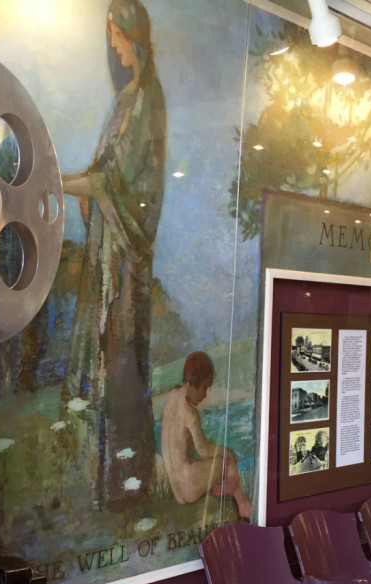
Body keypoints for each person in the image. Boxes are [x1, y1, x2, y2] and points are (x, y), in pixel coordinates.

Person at [61, 0, 167, 508]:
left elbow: (116, 178)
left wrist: (58, 181)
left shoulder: (146, 100)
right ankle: (113, 484)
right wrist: (81, 187)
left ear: (134, 36)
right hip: (111, 258)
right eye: (108, 37)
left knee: (124, 368)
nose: (113, 45)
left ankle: (130, 487)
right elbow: (103, 173)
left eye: (117, 36)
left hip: (126, 259)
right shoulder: (125, 98)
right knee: (112, 365)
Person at [160, 351, 251, 520]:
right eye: (205, 388)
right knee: (227, 459)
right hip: (188, 487)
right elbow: (202, 450)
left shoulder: (172, 396)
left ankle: (220, 489)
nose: (205, 395)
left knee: (206, 462)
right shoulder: (190, 414)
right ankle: (243, 505)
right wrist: (227, 452)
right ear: (196, 384)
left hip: (176, 487)